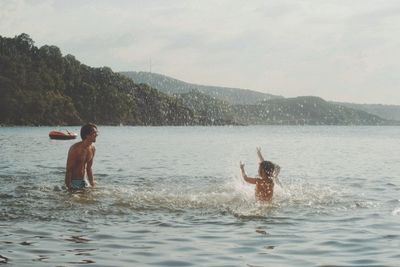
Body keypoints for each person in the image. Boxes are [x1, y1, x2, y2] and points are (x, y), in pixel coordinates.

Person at [65, 123, 98, 191]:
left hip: (85, 181)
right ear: (87, 135)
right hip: (74, 182)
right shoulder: (75, 149)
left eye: (96, 132)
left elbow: (89, 168)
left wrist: (92, 184)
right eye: (94, 133)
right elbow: (68, 170)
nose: (97, 135)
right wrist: (69, 188)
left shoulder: (93, 148)